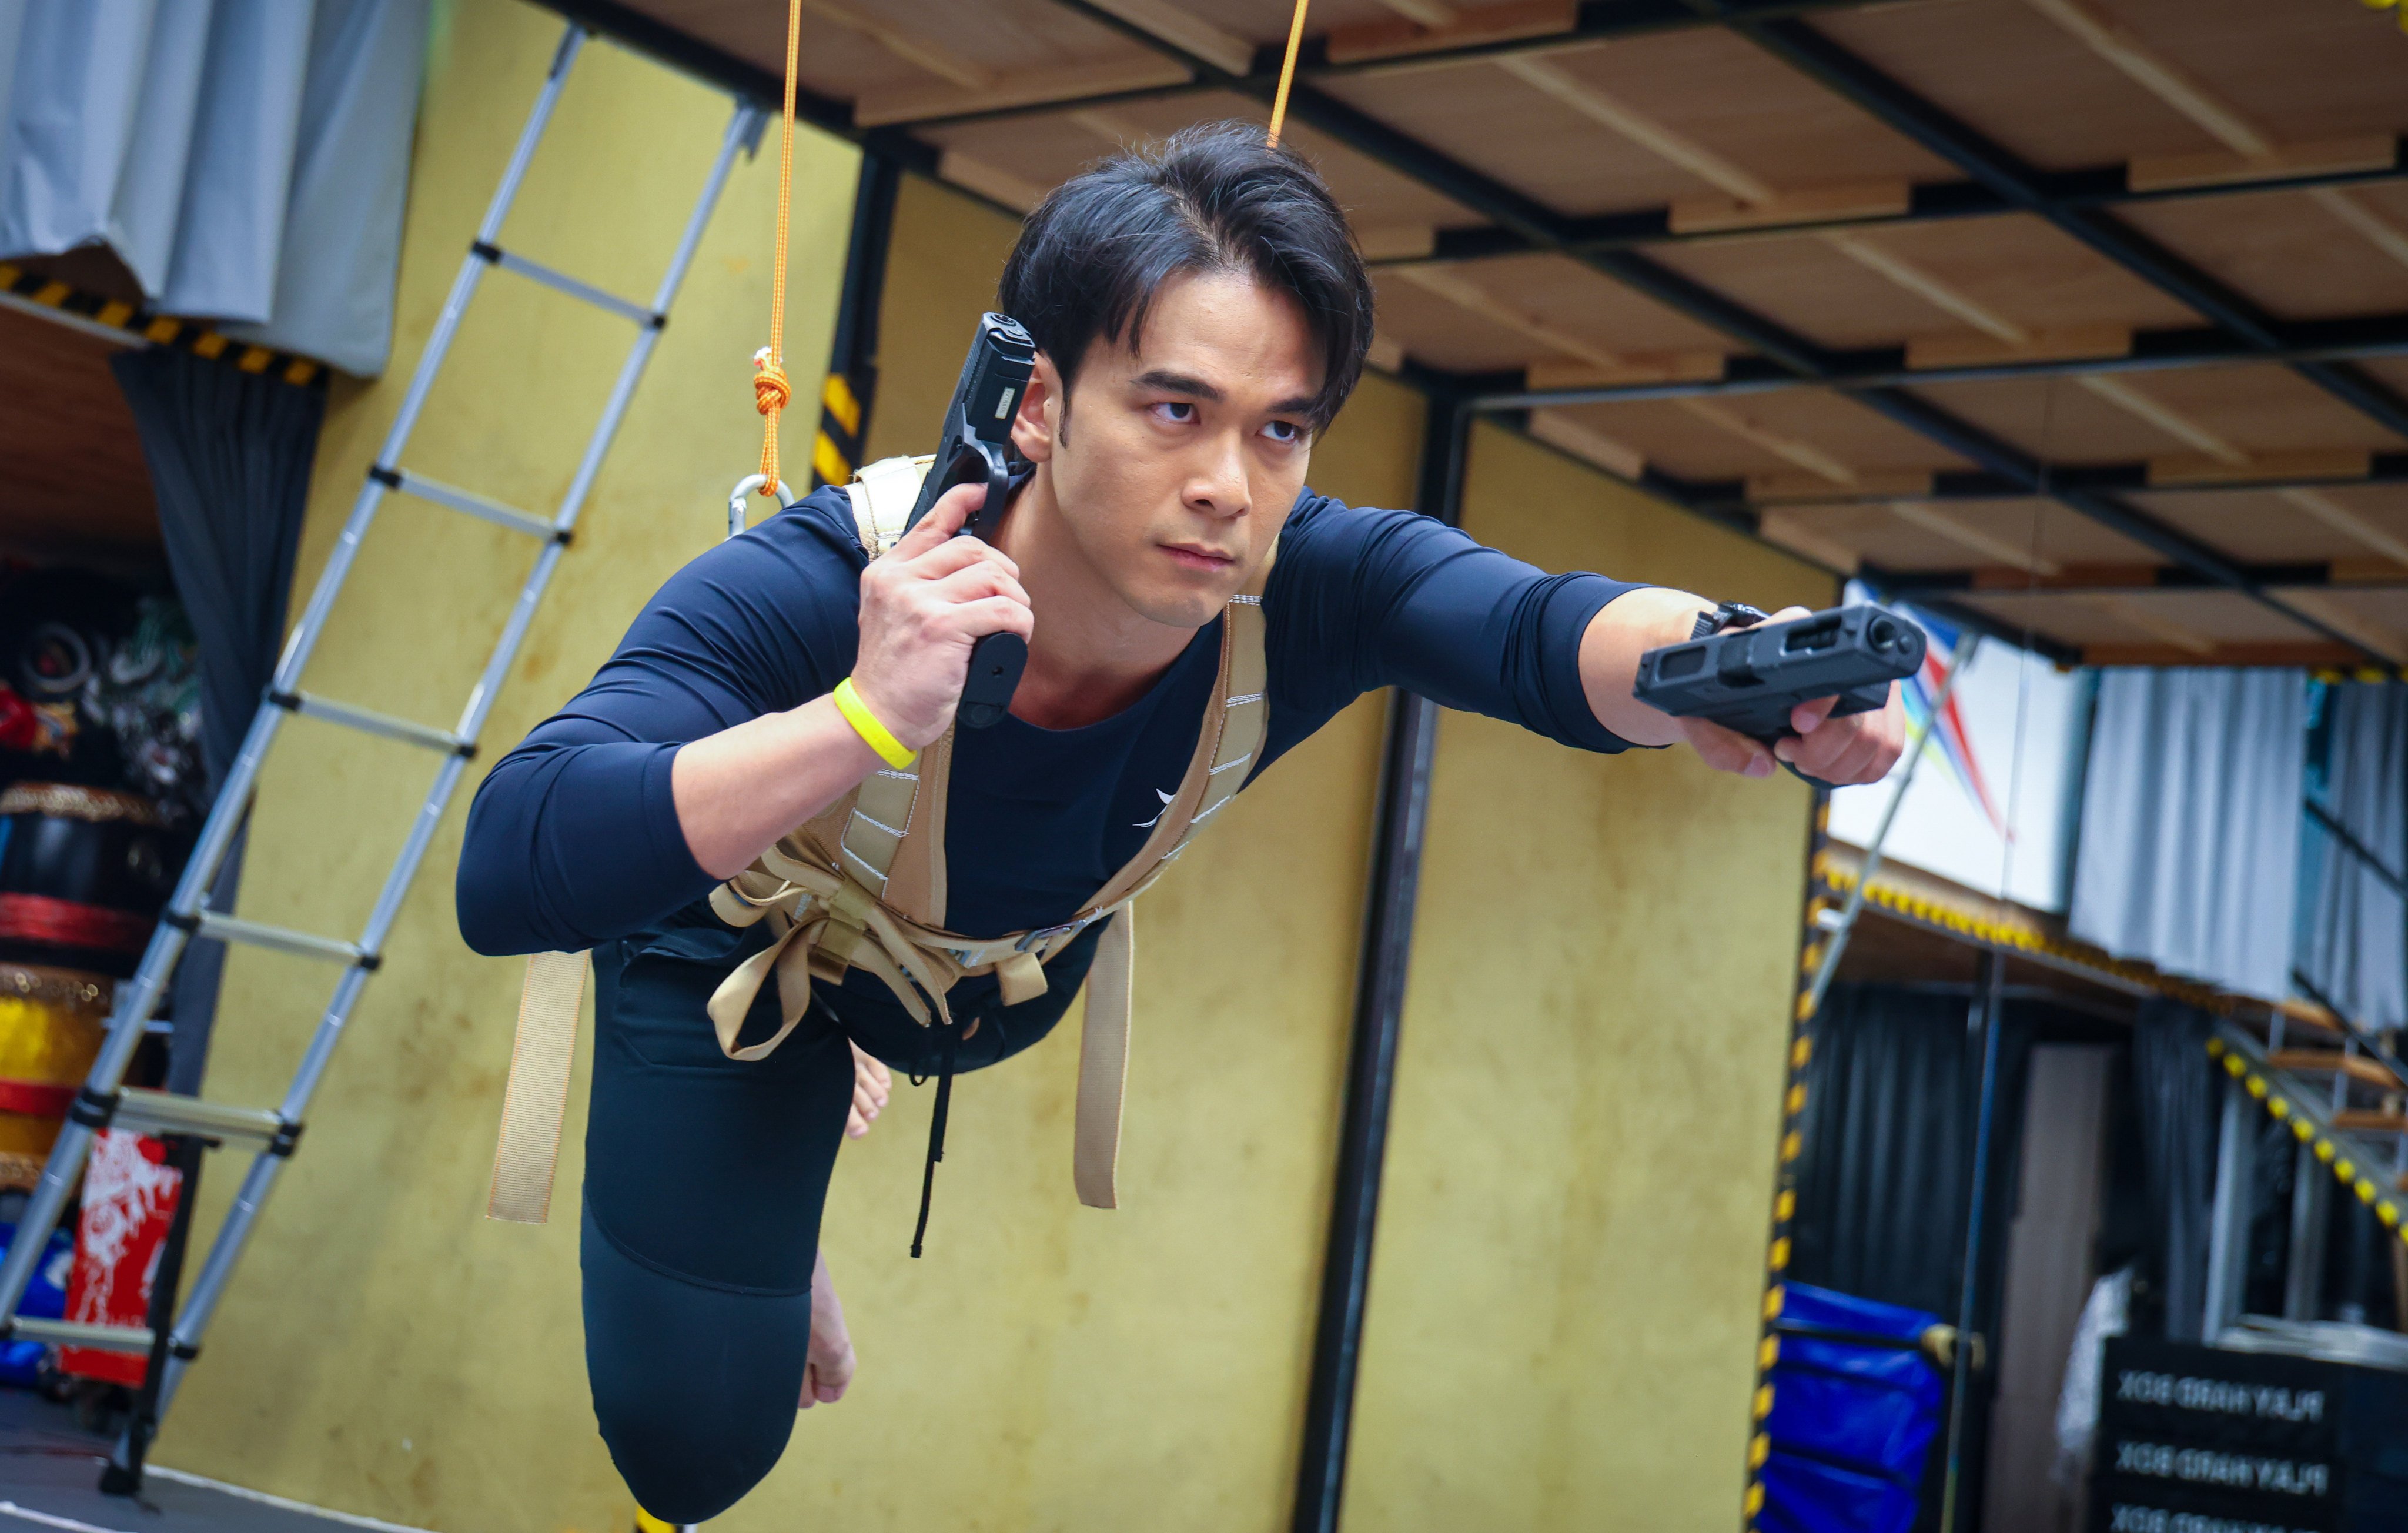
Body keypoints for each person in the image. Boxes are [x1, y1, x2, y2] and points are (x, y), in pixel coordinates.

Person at [454, 122, 1903, 1521]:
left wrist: (1736, 667)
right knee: (695, 1441)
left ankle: (774, 1167)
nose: (1228, 482)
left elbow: (1538, 630)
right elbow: (510, 859)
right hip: (741, 951)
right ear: (1036, 403)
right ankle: (762, 1168)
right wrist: (865, 717)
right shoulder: (818, 585)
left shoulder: (1309, 581)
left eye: (1280, 428)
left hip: (988, 985)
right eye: (1173, 408)